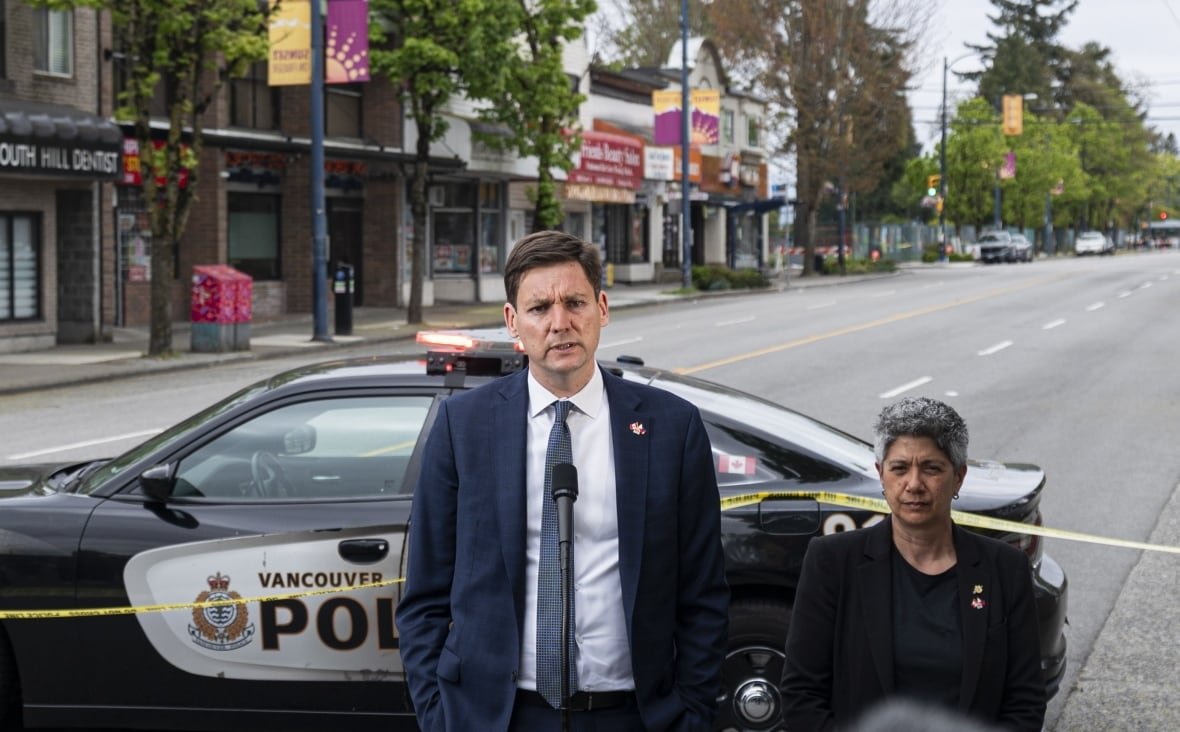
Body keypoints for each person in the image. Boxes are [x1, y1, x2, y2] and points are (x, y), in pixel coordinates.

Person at [397, 230, 729, 731]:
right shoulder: (463, 426)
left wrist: (690, 712)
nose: (560, 323)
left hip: (633, 715)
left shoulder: (670, 427)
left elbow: (703, 592)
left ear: (602, 308)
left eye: (575, 302)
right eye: (539, 308)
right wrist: (440, 716)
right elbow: (424, 595)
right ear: (513, 322)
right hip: (497, 717)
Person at [780, 397, 1045, 731]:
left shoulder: (1004, 569)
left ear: (959, 477)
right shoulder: (832, 562)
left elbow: (1026, 703)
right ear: (881, 474)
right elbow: (801, 696)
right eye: (900, 468)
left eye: (931, 468)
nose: (914, 484)